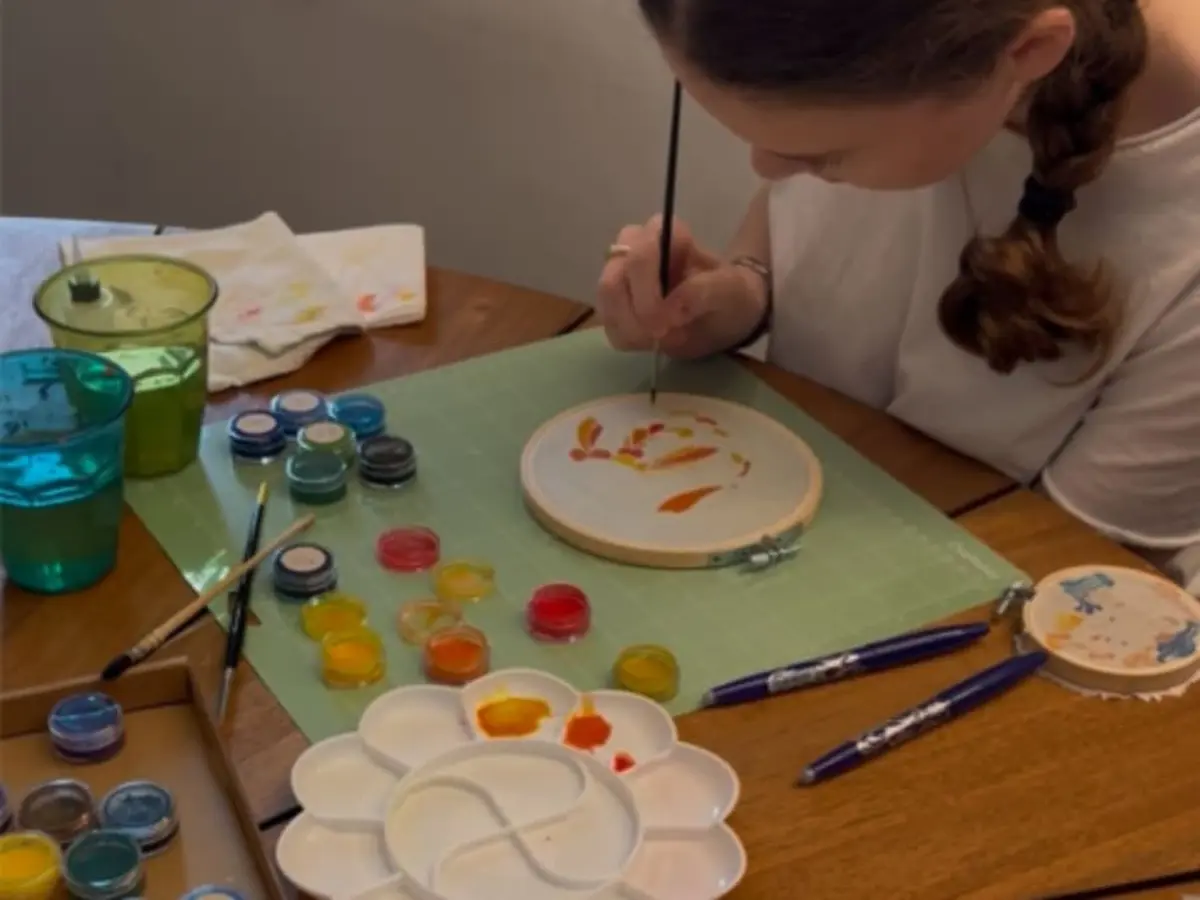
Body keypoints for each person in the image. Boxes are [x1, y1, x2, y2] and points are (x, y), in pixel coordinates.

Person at [597, 0, 1200, 588]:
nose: (764, 169)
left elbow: (1080, 578)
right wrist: (744, 288)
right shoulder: (928, 53)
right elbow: (814, 207)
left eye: (823, 158)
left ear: (1030, 51)